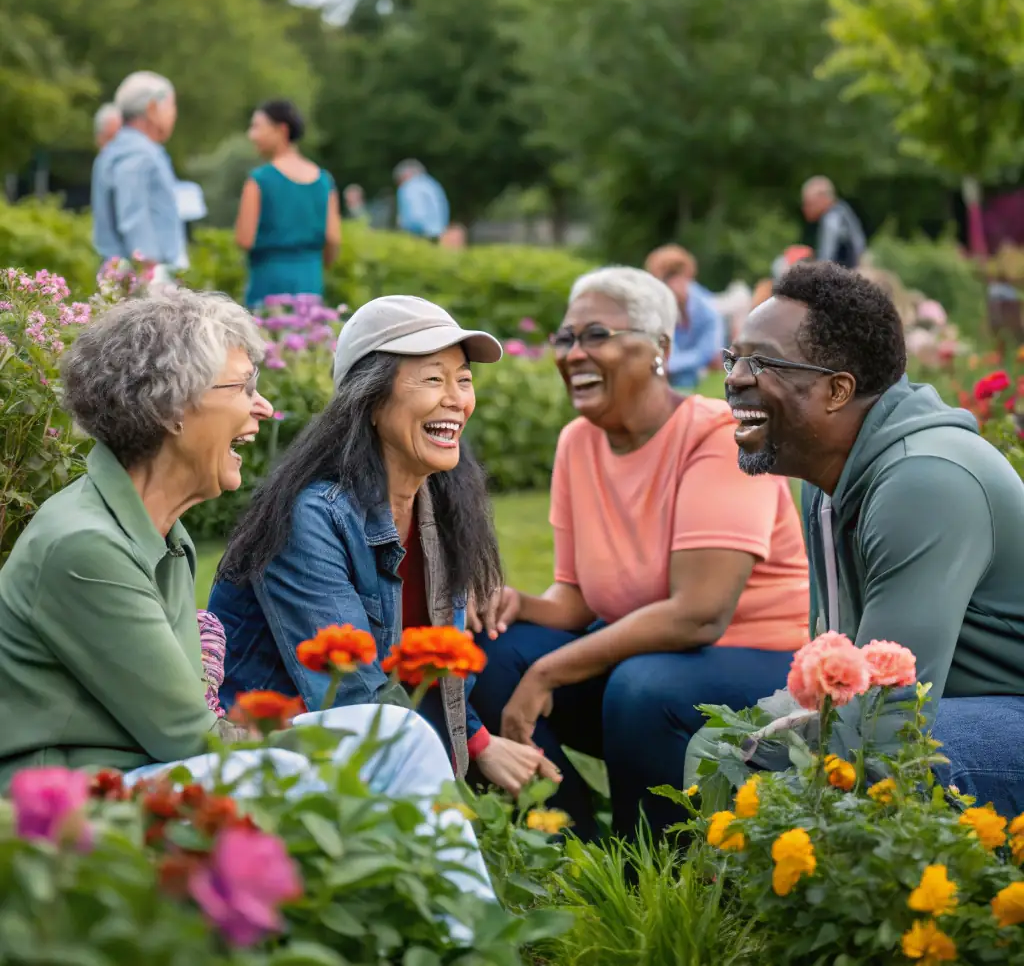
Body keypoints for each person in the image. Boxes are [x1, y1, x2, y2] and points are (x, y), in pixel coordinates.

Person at [0, 289, 493, 900]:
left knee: (391, 737)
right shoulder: (85, 546)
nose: (262, 407)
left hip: (142, 775)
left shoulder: (159, 533)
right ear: (172, 408)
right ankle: (465, 932)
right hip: (67, 811)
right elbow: (191, 737)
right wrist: (341, 745)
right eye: (241, 388)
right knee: (390, 738)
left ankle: (448, 922)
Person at [470, 267, 809, 841]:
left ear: (659, 348)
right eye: (565, 338)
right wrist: (518, 603)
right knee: (483, 651)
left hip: (760, 658)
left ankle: (653, 863)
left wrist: (548, 672)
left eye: (596, 335)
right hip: (649, 657)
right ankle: (566, 841)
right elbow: (577, 600)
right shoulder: (578, 442)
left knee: (642, 685)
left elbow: (698, 613)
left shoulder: (717, 434)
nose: (573, 353)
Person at [683, 262, 1024, 818]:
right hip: (949, 704)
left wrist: (772, 762)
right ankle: (723, 898)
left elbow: (886, 713)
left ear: (838, 389)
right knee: (722, 749)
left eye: (761, 362)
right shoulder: (827, 480)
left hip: (1000, 712)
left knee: (887, 765)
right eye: (733, 358)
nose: (735, 378)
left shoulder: (925, 480)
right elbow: (839, 667)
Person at [210, 295, 561, 799]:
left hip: (373, 742)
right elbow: (355, 701)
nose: (457, 399)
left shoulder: (438, 504)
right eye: (434, 379)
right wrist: (445, 806)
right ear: (371, 401)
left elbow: (427, 658)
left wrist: (479, 742)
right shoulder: (311, 517)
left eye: (463, 379)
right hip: (271, 760)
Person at [234, 100, 342, 309]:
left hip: (268, 279)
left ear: (281, 130)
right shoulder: (323, 180)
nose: (251, 135)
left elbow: (244, 239)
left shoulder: (259, 179)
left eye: (257, 127)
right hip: (311, 279)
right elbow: (333, 238)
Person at [91, 71, 185, 283]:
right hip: (145, 276)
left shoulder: (118, 149)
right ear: (152, 108)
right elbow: (133, 212)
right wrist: (148, 270)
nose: (174, 114)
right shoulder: (137, 152)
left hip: (132, 273)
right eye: (171, 106)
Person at [644, 244, 726, 390]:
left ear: (688, 274)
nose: (672, 283)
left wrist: (671, 365)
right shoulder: (656, 307)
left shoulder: (707, 309)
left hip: (697, 373)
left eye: (674, 275)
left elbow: (708, 353)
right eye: (665, 278)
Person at [801, 177, 865, 269]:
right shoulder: (843, 211)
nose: (805, 208)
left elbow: (826, 258)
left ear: (822, 198)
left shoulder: (832, 218)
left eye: (809, 203)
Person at [394, 159, 449, 242]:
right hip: (437, 233)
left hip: (418, 234)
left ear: (405, 175)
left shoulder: (408, 186)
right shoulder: (432, 184)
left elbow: (415, 215)